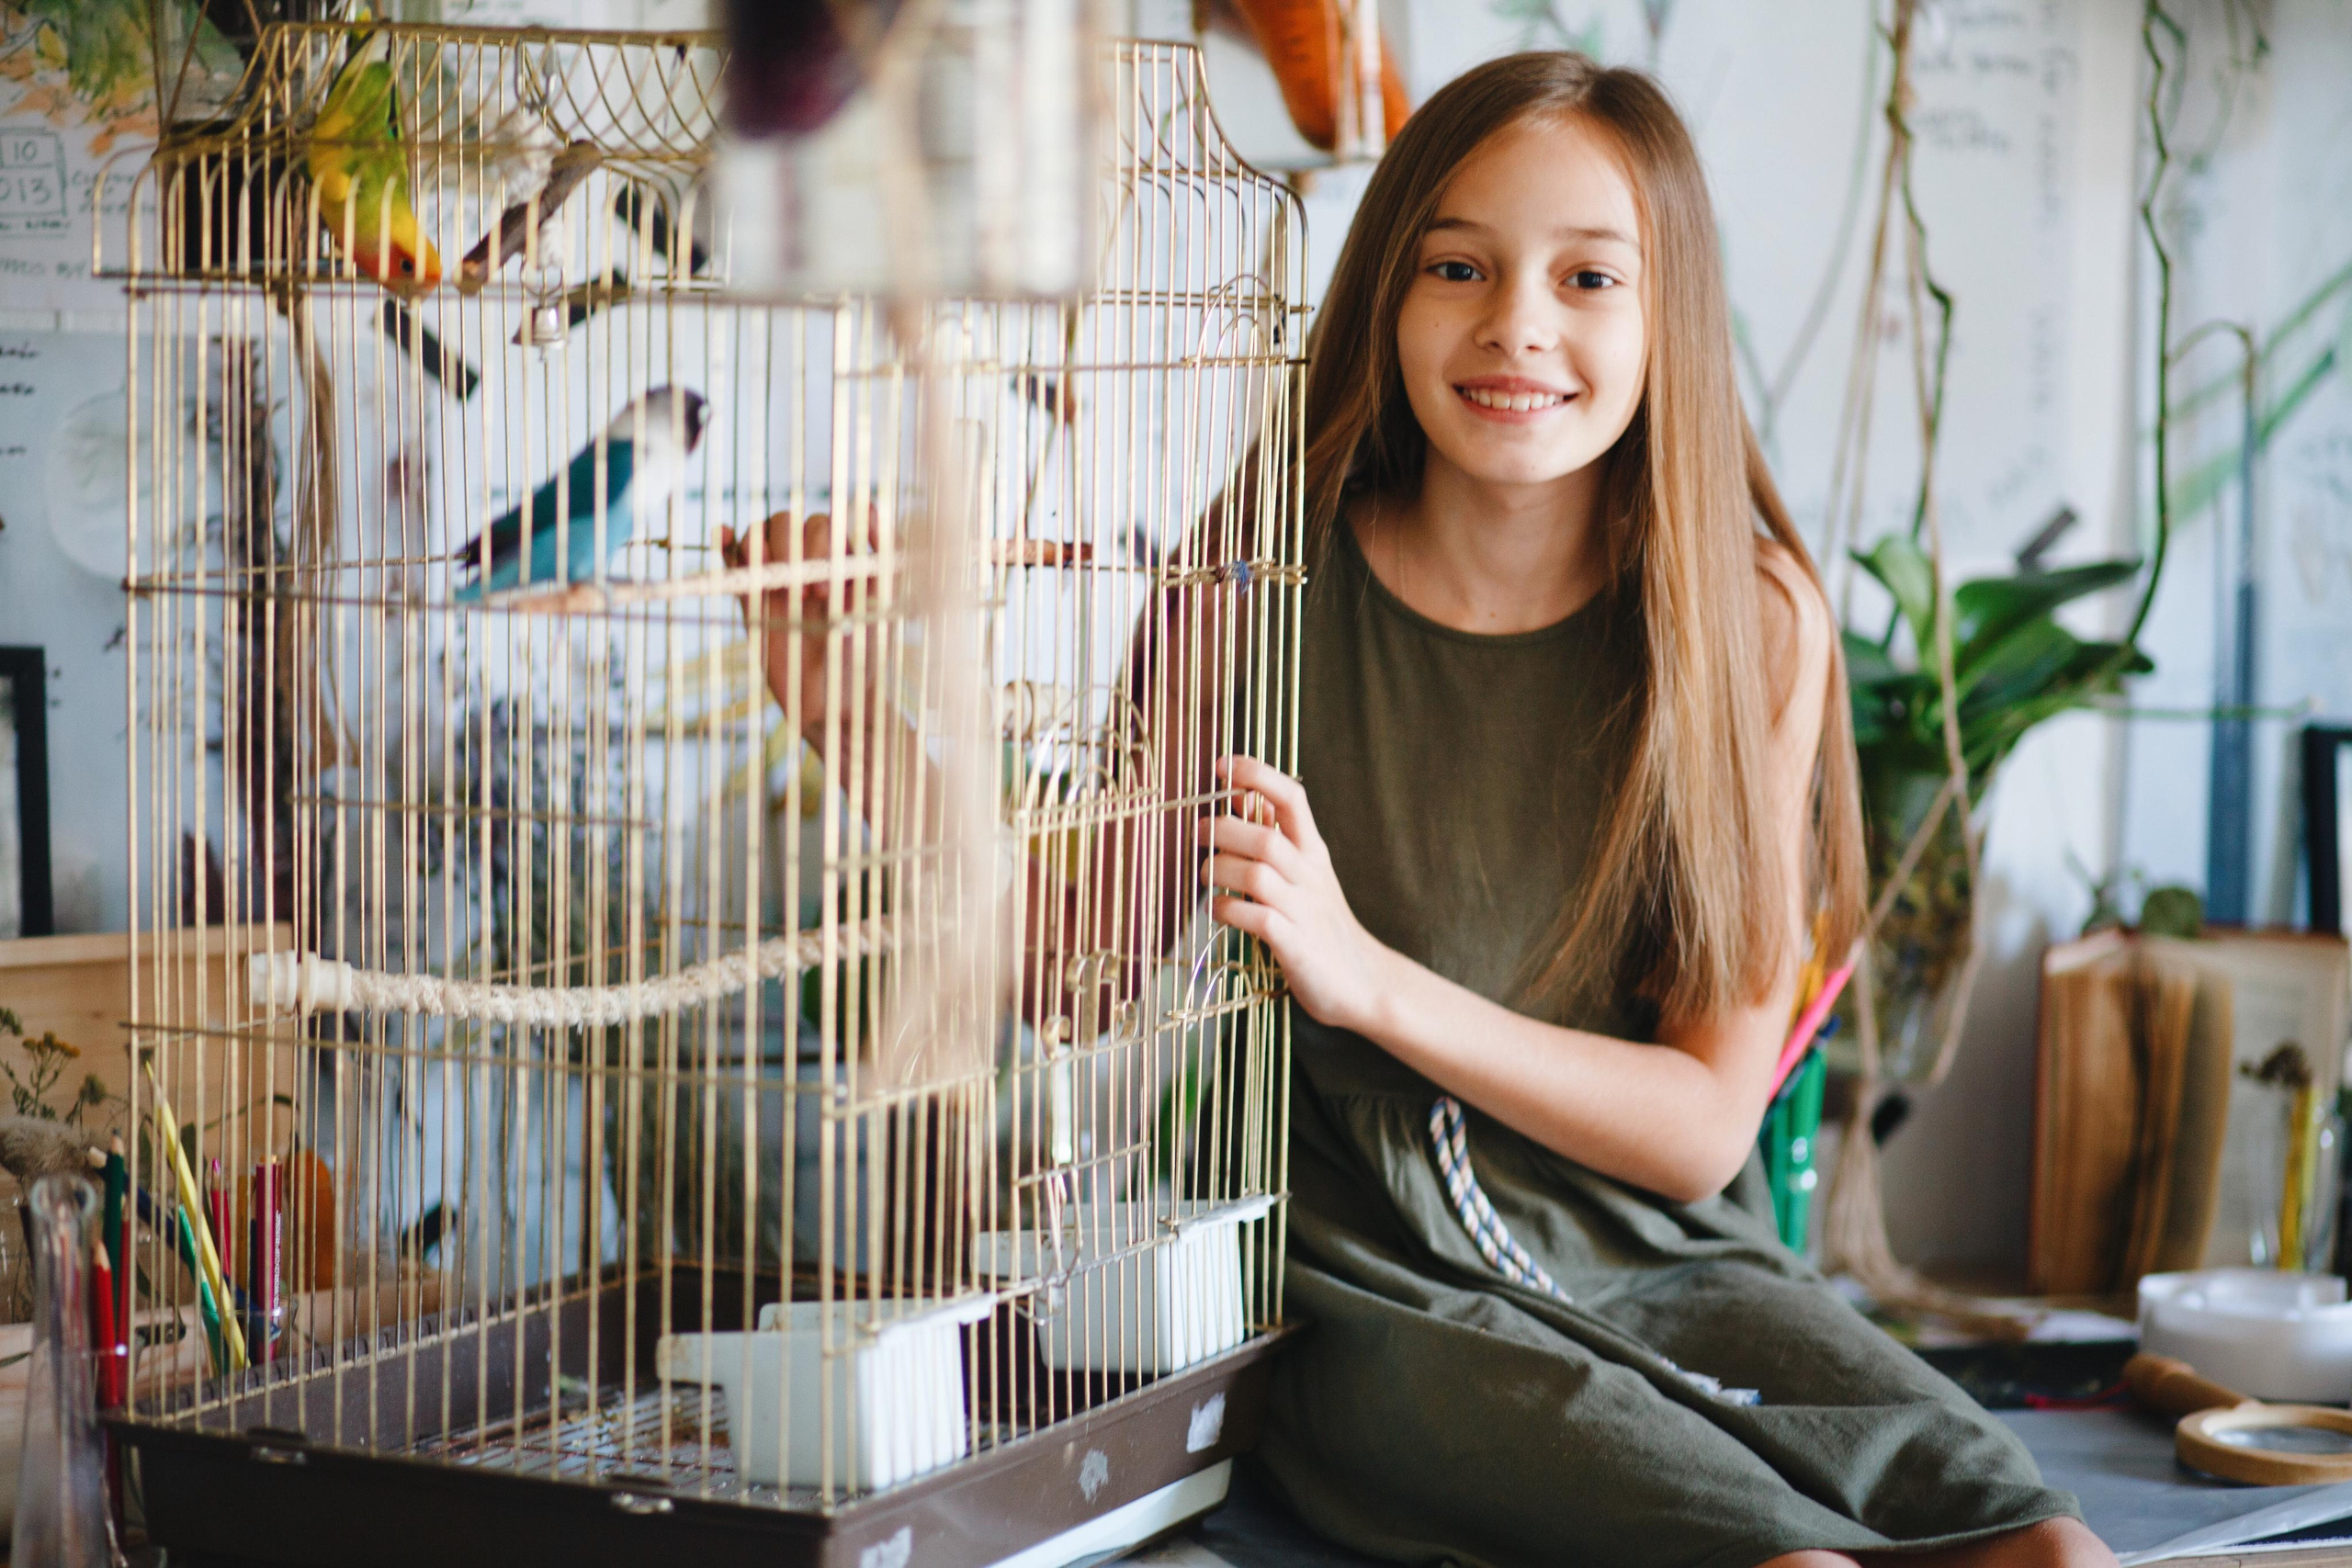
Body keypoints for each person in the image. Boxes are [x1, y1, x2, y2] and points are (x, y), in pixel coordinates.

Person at [1182, 51, 2117, 1568]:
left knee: (2046, 1546)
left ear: (1665, 307)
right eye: (1457, 265)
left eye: (1589, 276)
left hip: (1663, 1249)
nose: (1517, 326)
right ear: (1388, 289)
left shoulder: (1751, 623)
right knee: (1782, 1563)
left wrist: (1365, 978)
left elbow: (1697, 1132)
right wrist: (862, 719)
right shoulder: (1250, 587)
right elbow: (1056, 970)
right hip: (1360, 1272)